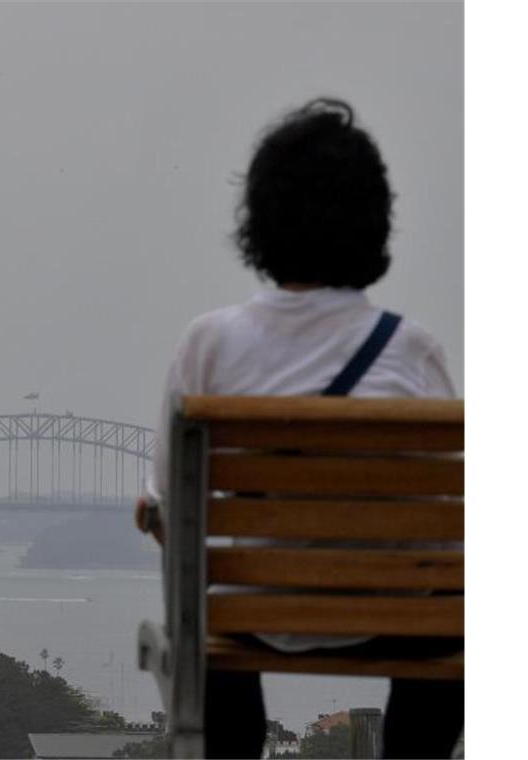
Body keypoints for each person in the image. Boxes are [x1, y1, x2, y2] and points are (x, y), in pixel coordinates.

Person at [145, 98, 462, 759]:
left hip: (254, 615)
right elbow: (448, 510)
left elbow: (169, 505)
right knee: (460, 619)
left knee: (213, 618)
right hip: (396, 616)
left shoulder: (209, 343)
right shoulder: (413, 349)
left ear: (259, 224)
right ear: (376, 226)